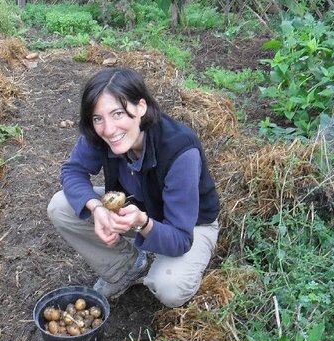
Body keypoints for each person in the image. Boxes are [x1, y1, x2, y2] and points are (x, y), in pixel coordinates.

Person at [47, 67, 220, 308]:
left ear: (141, 107)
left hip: (191, 225)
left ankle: (164, 262)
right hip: (139, 206)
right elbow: (72, 171)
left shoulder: (179, 150)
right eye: (98, 118)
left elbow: (181, 238)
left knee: (170, 286)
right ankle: (127, 267)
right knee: (60, 206)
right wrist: (96, 208)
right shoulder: (101, 134)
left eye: (117, 113)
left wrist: (142, 223)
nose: (108, 129)